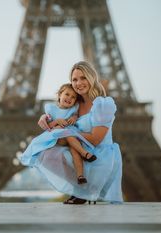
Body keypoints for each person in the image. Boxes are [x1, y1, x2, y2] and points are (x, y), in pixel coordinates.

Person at [34, 61, 123, 204]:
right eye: (74, 79)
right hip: (78, 149)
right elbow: (58, 112)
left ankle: (84, 190)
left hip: (98, 155)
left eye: (83, 78)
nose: (78, 83)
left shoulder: (103, 104)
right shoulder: (74, 104)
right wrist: (45, 117)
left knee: (62, 142)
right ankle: (81, 189)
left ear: (91, 78)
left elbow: (95, 139)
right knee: (46, 152)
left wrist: (68, 132)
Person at [20, 83, 97, 185]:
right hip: (56, 138)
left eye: (73, 97)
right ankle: (84, 153)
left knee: (74, 150)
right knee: (68, 134)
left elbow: (75, 115)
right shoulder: (51, 109)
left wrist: (74, 118)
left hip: (70, 137)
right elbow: (48, 126)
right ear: (60, 95)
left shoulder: (73, 110)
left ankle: (80, 175)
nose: (69, 98)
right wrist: (56, 122)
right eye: (67, 94)